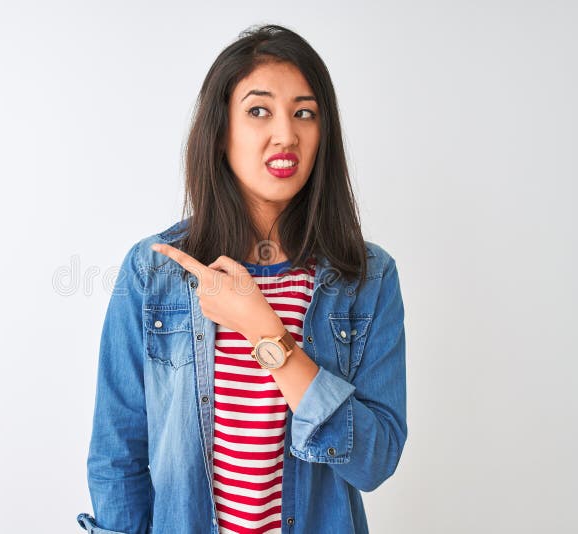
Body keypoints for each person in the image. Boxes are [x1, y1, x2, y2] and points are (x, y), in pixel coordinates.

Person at [77, 24, 407, 534]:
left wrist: (261, 328)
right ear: (221, 131)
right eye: (259, 111)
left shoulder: (367, 278)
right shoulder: (154, 272)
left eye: (305, 112)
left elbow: (374, 460)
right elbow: (117, 455)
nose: (286, 133)